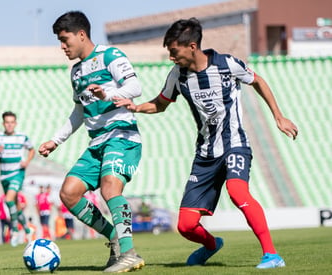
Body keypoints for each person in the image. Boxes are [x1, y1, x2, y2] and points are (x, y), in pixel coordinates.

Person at [115, 17, 298, 269]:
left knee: (238, 192)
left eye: (173, 51)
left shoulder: (227, 64)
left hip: (235, 144)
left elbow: (257, 80)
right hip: (204, 156)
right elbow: (160, 104)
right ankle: (212, 245)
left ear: (191, 46)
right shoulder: (177, 75)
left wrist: (279, 116)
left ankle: (271, 255)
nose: (170, 57)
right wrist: (135, 107)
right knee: (185, 226)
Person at [38, 11, 145, 273]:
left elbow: (135, 87)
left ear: (81, 34)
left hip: (121, 135)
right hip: (97, 142)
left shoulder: (110, 55)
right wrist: (55, 140)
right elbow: (79, 111)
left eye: (65, 40)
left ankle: (129, 254)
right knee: (69, 193)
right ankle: (115, 238)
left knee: (110, 187)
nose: (62, 46)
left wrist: (108, 94)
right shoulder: (76, 72)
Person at [0, 111, 35, 247]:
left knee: (8, 200)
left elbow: (32, 150)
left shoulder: (22, 137)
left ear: (15, 123)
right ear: (3, 123)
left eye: (11, 122)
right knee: (16, 206)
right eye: (7, 122)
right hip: (4, 175)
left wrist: (27, 162)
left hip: (17, 173)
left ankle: (14, 230)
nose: (9, 125)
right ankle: (27, 229)